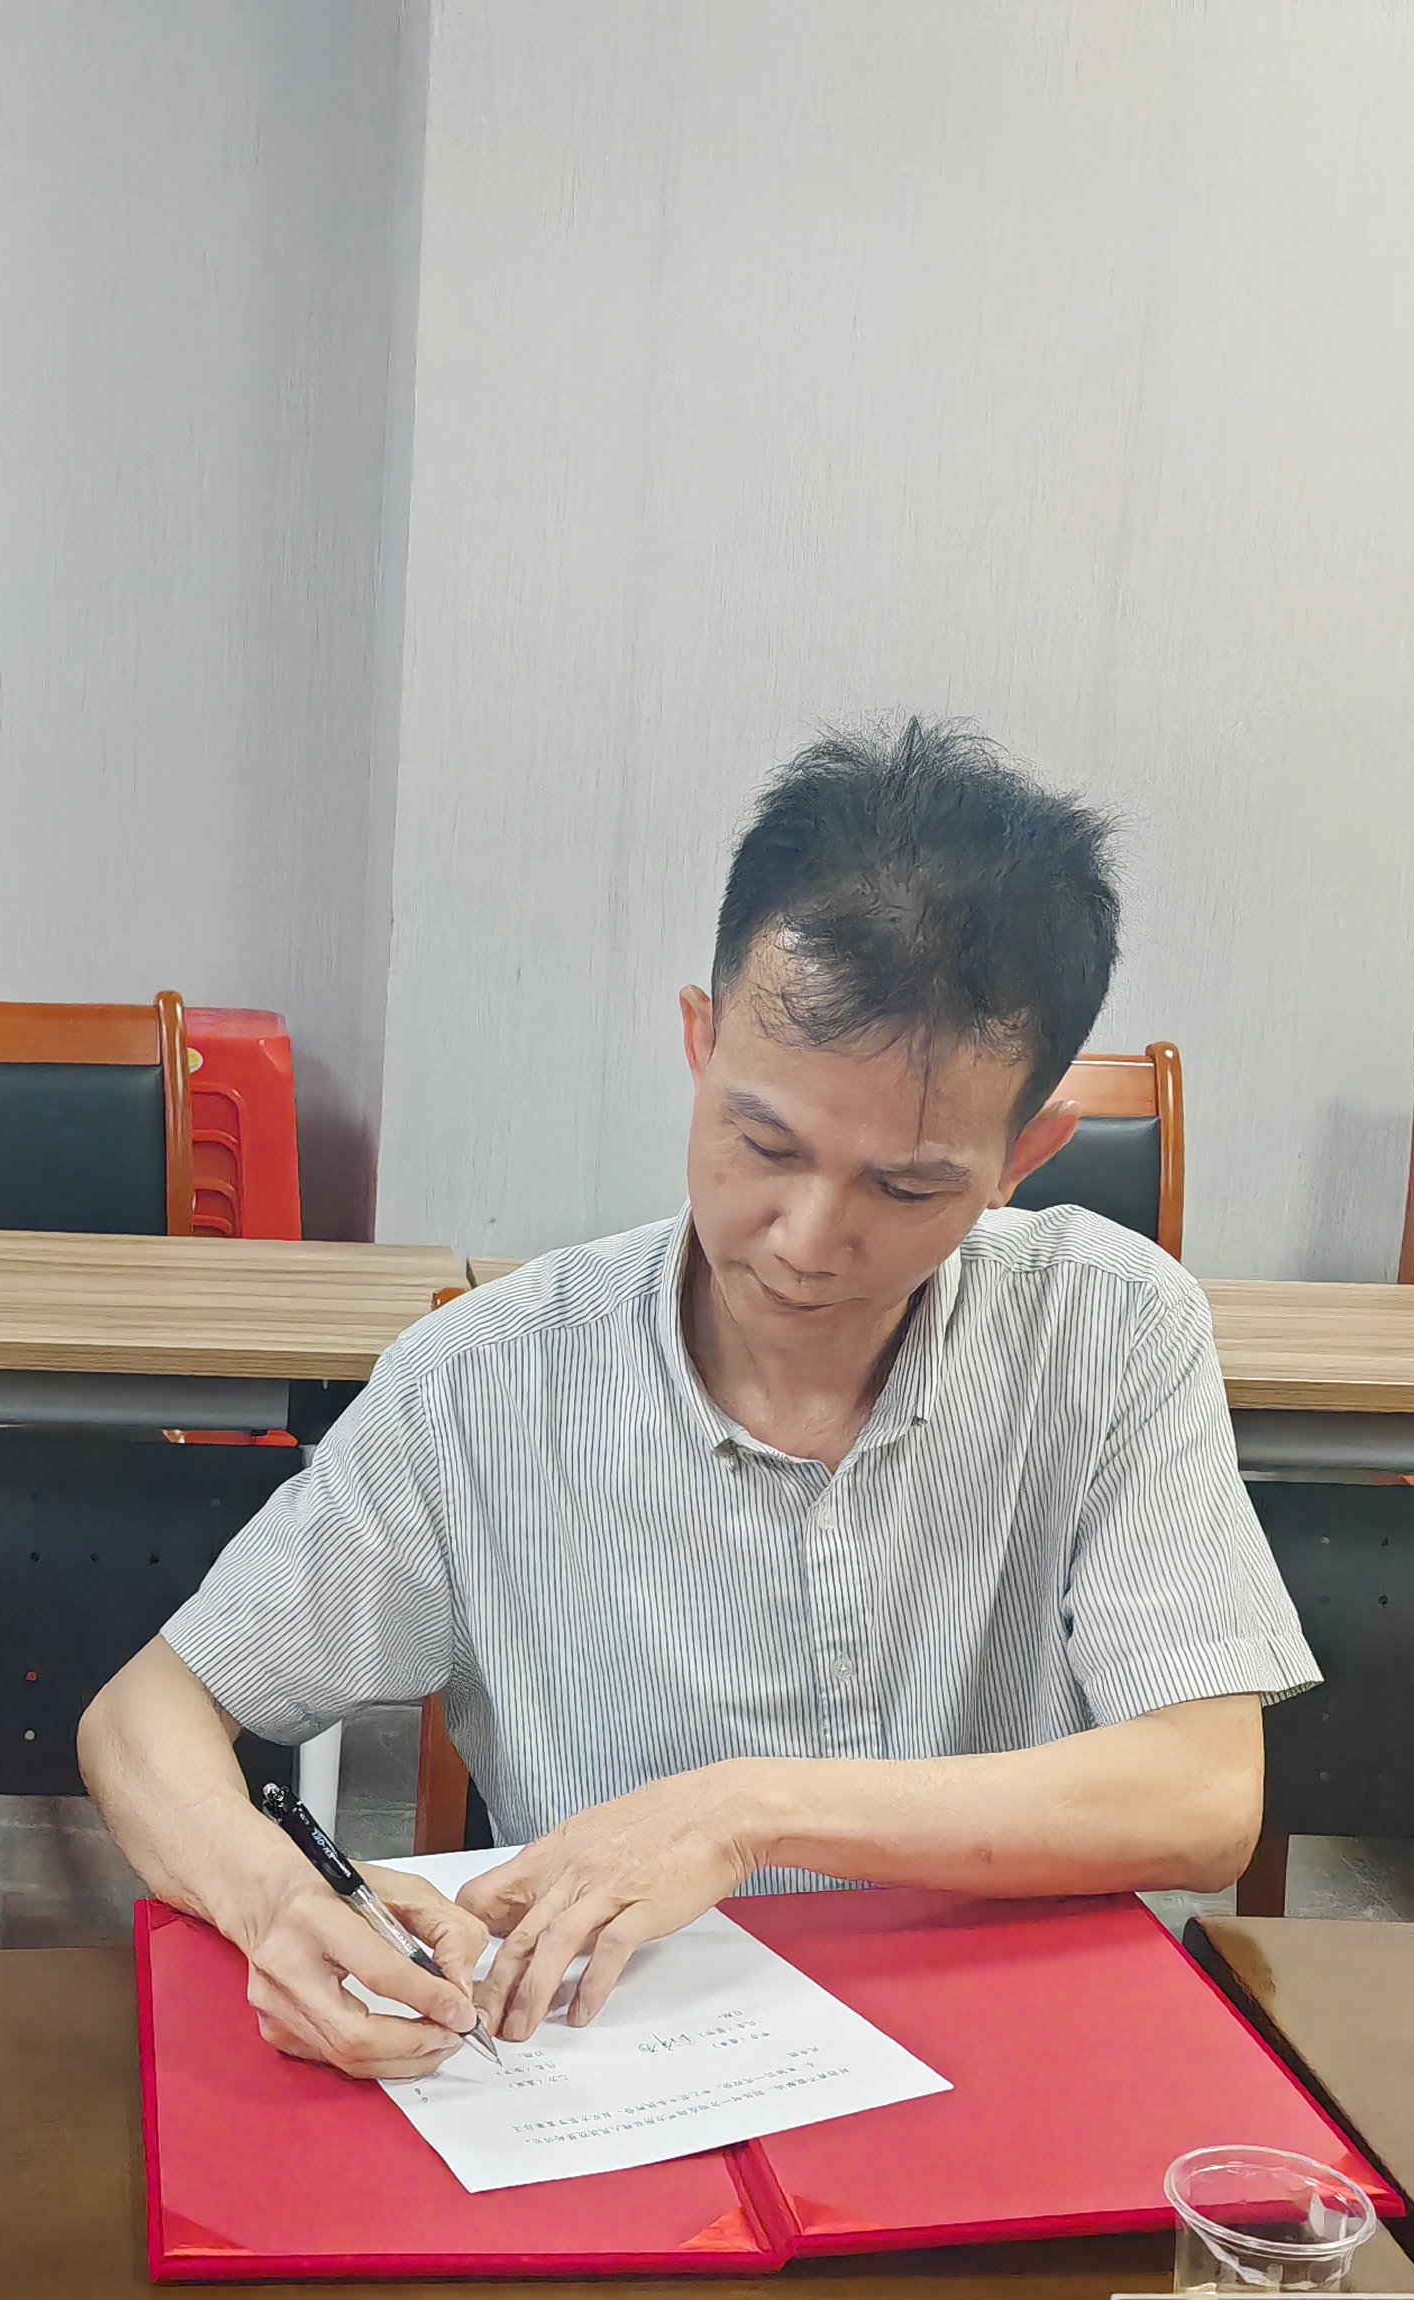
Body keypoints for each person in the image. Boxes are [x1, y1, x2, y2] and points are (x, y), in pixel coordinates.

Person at [82, 720, 1314, 2071]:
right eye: (762, 1141)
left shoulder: (1109, 1329)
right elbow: (146, 1717)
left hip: (1005, 2061)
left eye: (909, 1185)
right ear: (698, 1042)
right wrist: (271, 1901)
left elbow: (1204, 1796)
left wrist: (742, 1813)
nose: (806, 1239)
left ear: (1028, 1152)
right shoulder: (489, 1383)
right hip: (620, 2075)